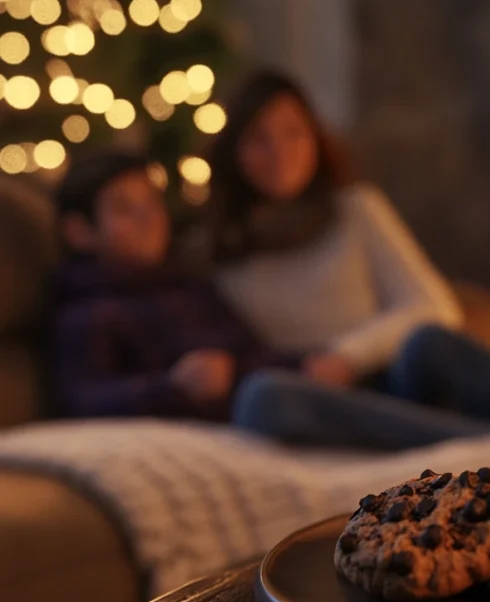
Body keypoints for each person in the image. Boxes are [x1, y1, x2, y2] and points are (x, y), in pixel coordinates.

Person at [206, 70, 490, 449]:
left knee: (428, 342)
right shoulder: (216, 249)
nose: (279, 151)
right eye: (259, 138)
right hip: (319, 399)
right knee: (263, 397)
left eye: (293, 132)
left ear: (315, 140)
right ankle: (485, 442)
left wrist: (347, 356)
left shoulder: (355, 209)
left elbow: (434, 307)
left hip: (390, 377)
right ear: (233, 150)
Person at [51, 150, 351, 420]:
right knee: (266, 397)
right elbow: (83, 400)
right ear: (80, 232)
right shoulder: (88, 312)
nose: (148, 217)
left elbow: (251, 353)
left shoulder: (190, 287)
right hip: (251, 413)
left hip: (272, 398)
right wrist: (173, 385)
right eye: (124, 208)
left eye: (152, 202)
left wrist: (304, 364)